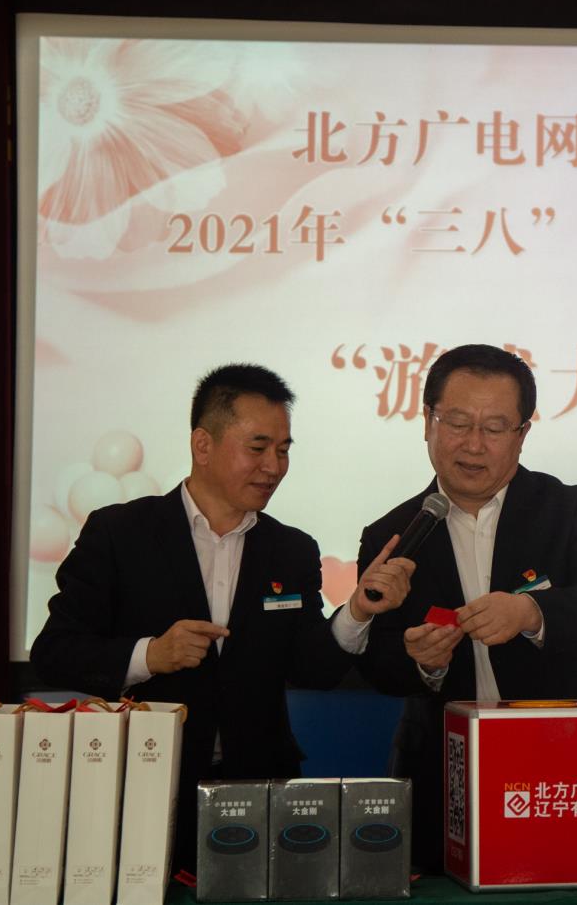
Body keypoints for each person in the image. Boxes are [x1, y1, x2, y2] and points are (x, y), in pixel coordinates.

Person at [30, 363, 414, 870]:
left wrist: (359, 609)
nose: (273, 466)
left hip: (259, 790)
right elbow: (55, 652)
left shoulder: (290, 549)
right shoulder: (120, 533)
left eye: (283, 450)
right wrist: (151, 655)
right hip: (141, 788)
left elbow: (312, 668)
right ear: (203, 445)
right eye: (257, 448)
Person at [343, 344, 577, 872]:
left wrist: (529, 613)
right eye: (457, 423)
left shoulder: (568, 508)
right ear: (427, 422)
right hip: (444, 773)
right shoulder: (392, 534)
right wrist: (422, 662)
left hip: (566, 762)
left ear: (522, 433)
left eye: (495, 428)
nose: (473, 445)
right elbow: (379, 664)